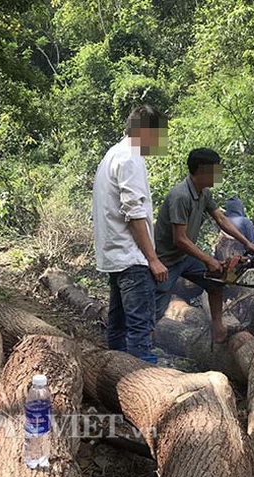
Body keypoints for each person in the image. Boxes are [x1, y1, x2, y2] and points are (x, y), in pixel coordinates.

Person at [154, 148, 254, 344]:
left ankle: (218, 329)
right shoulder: (181, 196)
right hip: (166, 258)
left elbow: (220, 218)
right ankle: (143, 346)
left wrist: (247, 242)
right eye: (215, 170)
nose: (218, 175)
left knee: (215, 282)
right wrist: (209, 259)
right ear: (202, 170)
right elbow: (180, 239)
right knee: (156, 308)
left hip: (185, 256)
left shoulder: (204, 193)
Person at [92, 105, 168, 363]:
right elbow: (134, 213)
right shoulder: (131, 158)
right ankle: (140, 380)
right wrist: (153, 259)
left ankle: (115, 378)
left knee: (119, 326)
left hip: (115, 256)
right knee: (139, 328)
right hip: (132, 256)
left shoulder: (112, 154)